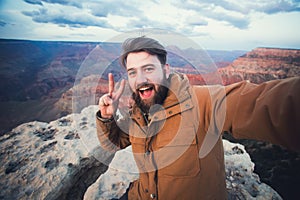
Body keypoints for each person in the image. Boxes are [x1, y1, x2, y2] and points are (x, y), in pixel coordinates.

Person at [96, 36, 300, 199]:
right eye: (132, 72)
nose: (140, 80)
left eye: (148, 69)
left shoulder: (203, 102)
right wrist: (107, 117)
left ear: (166, 70)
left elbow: (260, 104)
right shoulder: (138, 112)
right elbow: (115, 142)